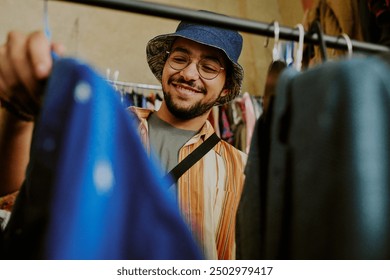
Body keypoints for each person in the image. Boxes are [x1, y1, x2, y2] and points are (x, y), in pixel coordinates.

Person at [0, 14, 247, 259]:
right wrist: (17, 115)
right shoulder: (102, 129)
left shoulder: (240, 169)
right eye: (180, 58)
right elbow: (14, 202)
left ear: (226, 87)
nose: (189, 74)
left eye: (209, 67)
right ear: (165, 64)